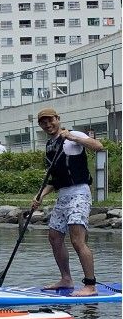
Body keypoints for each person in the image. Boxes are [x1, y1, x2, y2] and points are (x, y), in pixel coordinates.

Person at [32, 108, 103, 296]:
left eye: (51, 120)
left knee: (77, 240)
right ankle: (66, 279)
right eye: (43, 122)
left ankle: (90, 285)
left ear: (58, 119)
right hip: (63, 195)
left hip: (80, 192)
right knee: (54, 237)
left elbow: (99, 146)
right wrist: (40, 195)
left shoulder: (72, 135)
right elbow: (55, 181)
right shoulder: (50, 146)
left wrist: (73, 137)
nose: (48, 124)